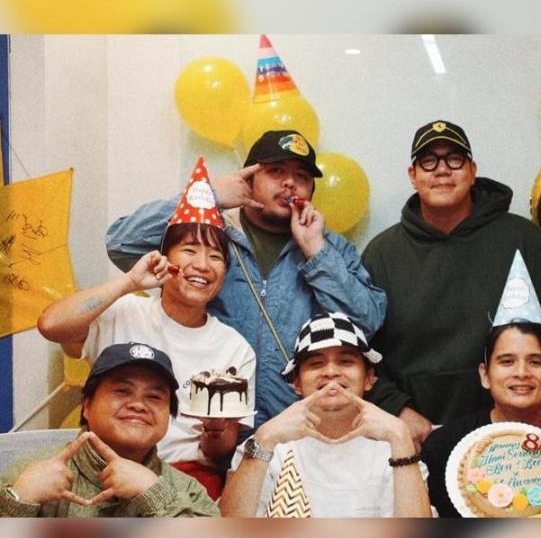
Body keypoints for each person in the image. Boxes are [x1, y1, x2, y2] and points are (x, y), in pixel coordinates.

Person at [106, 131, 386, 429]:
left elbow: (366, 323)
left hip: (297, 429)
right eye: (276, 171)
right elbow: (121, 244)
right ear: (248, 179)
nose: (290, 183)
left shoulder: (329, 248)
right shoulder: (208, 234)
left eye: (302, 176)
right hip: (209, 426)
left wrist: (316, 252)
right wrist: (209, 195)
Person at [38, 159, 256, 500]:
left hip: (186, 480)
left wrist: (217, 430)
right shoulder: (123, 311)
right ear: (164, 258)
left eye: (215, 256)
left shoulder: (235, 348)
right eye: (189, 250)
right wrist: (128, 282)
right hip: (104, 467)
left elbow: (219, 453)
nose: (202, 265)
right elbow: (51, 325)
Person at [362, 120, 541, 447]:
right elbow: (359, 351)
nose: (442, 170)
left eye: (454, 159)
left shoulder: (525, 241)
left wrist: (526, 413)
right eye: (428, 161)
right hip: (410, 436)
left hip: (509, 436)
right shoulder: (382, 253)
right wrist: (396, 409)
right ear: (413, 175)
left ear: (472, 170)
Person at [422, 252, 541, 516]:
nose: (522, 373)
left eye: (536, 362)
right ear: (485, 375)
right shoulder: (443, 448)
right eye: (507, 361)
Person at [219, 312, 431, 518]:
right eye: (316, 363)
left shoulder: (395, 447)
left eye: (345, 361)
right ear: (296, 383)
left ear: (368, 378)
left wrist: (401, 437)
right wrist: (264, 438)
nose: (330, 372)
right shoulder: (266, 445)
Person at [0, 342, 219, 517]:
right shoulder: (25, 475)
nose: (138, 405)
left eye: (154, 396)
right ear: (87, 405)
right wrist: (19, 501)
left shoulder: (189, 491)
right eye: (122, 391)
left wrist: (155, 496)